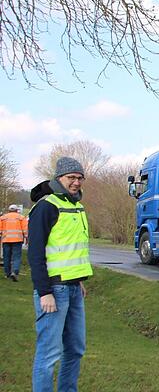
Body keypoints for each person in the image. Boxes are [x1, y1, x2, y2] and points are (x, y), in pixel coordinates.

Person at [28, 157, 93, 392]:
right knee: (48, 354)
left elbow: (72, 250)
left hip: (74, 289)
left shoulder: (77, 205)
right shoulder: (46, 206)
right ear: (59, 178)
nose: (76, 182)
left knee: (75, 349)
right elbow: (35, 254)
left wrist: (78, 281)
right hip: (53, 291)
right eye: (71, 178)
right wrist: (44, 291)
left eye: (79, 178)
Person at [1, 204, 28, 281]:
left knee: (6, 257)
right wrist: (27, 237)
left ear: (9, 210)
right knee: (16, 257)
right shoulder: (21, 217)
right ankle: (15, 272)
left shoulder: (3, 218)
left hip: (6, 240)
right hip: (17, 240)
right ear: (17, 210)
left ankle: (7, 273)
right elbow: (25, 229)